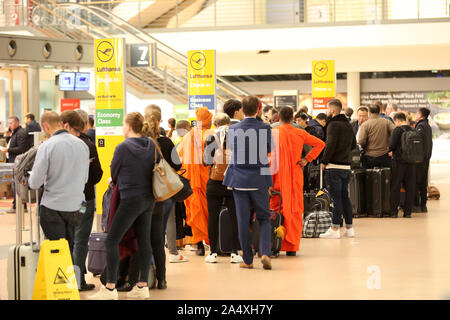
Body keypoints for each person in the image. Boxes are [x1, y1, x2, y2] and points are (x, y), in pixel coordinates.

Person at [89, 112, 157, 300]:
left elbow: (115, 171)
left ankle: (110, 288)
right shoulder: (151, 144)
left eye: (123, 125)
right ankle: (142, 286)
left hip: (129, 198)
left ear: (128, 126)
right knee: (144, 240)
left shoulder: (122, 148)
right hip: (148, 198)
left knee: (112, 240)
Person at [223, 96, 274, 270]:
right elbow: (268, 151)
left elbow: (230, 149)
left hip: (239, 179)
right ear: (258, 110)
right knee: (265, 217)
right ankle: (266, 251)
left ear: (242, 110)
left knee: (243, 220)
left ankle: (248, 260)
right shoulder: (265, 128)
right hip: (259, 178)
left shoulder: (233, 129)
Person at [28, 111, 89, 252]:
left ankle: (60, 274)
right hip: (77, 207)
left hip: (53, 207)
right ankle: (72, 273)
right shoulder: (83, 145)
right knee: (70, 248)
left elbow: (35, 183)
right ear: (61, 123)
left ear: (45, 126)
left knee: (56, 253)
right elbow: (84, 179)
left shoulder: (47, 146)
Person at [270, 107, 325, 255]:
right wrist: (307, 159)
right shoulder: (300, 132)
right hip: (295, 174)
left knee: (275, 208)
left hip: (276, 175)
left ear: (278, 118)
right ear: (293, 117)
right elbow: (320, 144)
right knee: (294, 209)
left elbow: (267, 157)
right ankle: (291, 246)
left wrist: (267, 181)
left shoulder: (273, 133)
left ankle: (274, 244)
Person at [144, 106, 187, 281]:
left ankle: (148, 273)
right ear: (160, 120)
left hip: (145, 194)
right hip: (164, 193)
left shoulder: (140, 142)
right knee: (158, 235)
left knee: (145, 235)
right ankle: (161, 277)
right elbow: (178, 165)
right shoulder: (167, 142)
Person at [64, 109, 103, 291]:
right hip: (83, 201)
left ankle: (63, 279)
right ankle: (77, 281)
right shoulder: (88, 145)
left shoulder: (57, 144)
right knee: (80, 240)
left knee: (66, 239)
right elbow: (97, 175)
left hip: (62, 201)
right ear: (85, 125)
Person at [203, 113, 243, 264]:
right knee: (234, 217)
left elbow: (206, 161)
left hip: (214, 182)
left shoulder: (212, 137)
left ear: (216, 124)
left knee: (212, 218)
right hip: (233, 182)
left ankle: (213, 252)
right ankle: (234, 252)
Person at [178, 107, 214, 256]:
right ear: (207, 120)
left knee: (194, 212)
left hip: (190, 181)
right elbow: (213, 159)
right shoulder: (210, 135)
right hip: (206, 180)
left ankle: (198, 243)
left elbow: (179, 157)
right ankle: (211, 243)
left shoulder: (187, 136)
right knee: (208, 212)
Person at [319, 99, 356, 239]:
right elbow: (353, 144)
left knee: (336, 199)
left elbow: (330, 145)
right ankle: (349, 228)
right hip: (346, 166)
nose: (327, 112)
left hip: (333, 166)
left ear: (332, 110)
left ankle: (334, 228)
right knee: (345, 198)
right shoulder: (348, 125)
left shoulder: (333, 125)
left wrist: (324, 161)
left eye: (328, 109)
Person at [388, 112, 416, 219]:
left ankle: (394, 212)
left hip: (399, 162)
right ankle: (408, 212)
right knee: (410, 187)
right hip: (411, 163)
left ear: (398, 121)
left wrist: (391, 151)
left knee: (395, 186)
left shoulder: (398, 130)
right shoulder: (413, 130)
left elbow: (391, 145)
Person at [1, 116, 32, 213]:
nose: (9, 125)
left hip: (19, 163)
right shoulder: (15, 133)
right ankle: (18, 206)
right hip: (13, 161)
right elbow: (13, 144)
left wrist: (7, 150)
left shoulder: (21, 133)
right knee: (16, 185)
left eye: (10, 123)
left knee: (17, 186)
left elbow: (22, 149)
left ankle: (18, 206)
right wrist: (7, 138)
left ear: (16, 123)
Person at [357, 104, 395, 169]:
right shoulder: (387, 122)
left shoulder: (365, 124)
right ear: (379, 111)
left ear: (369, 112)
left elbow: (361, 141)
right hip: (384, 156)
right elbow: (395, 133)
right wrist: (391, 148)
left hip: (369, 158)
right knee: (385, 177)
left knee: (370, 177)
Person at [414, 107, 433, 213]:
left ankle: (419, 205)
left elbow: (418, 142)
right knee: (423, 181)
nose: (415, 114)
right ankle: (423, 204)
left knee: (418, 181)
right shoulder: (427, 125)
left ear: (421, 115)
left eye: (417, 113)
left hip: (421, 159)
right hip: (425, 158)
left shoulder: (421, 126)